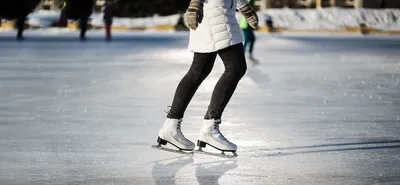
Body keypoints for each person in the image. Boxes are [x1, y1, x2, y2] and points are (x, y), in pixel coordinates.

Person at [156, 0, 258, 153]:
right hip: (216, 18)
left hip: (216, 15)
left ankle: (171, 126)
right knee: (235, 67)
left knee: (199, 71)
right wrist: (195, 4)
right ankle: (209, 127)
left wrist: (244, 7)